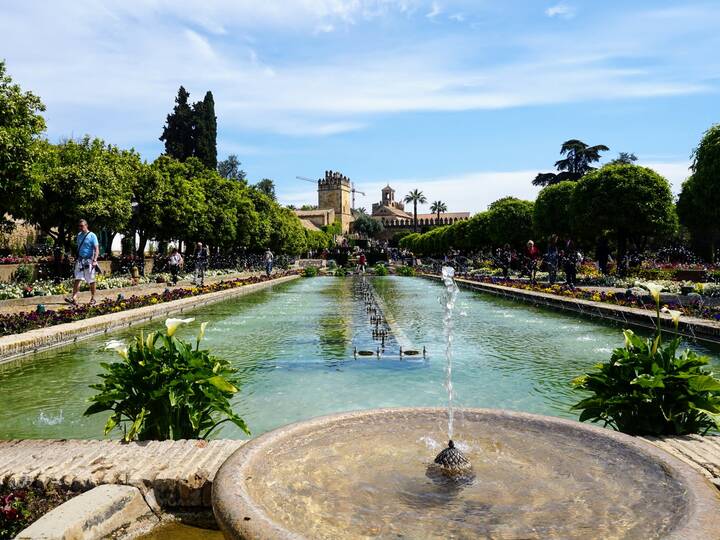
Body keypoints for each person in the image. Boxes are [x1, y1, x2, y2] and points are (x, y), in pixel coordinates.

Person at [65, 219, 99, 306]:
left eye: (82, 226)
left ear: (86, 226)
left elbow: (96, 249)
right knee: (77, 279)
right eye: (79, 226)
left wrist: (95, 260)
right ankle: (74, 298)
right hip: (80, 261)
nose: (80, 228)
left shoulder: (92, 236)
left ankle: (93, 298)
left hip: (89, 261)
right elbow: (79, 247)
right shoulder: (79, 235)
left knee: (91, 280)